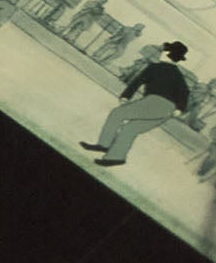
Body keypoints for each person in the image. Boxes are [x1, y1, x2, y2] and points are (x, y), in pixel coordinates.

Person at [82, 40, 193, 168]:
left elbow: (137, 81)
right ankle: (116, 157)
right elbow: (185, 92)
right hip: (168, 110)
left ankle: (104, 145)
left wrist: (126, 96)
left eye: (163, 50)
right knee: (131, 128)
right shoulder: (178, 75)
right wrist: (179, 109)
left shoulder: (154, 67)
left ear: (166, 53)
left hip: (154, 102)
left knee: (117, 114)